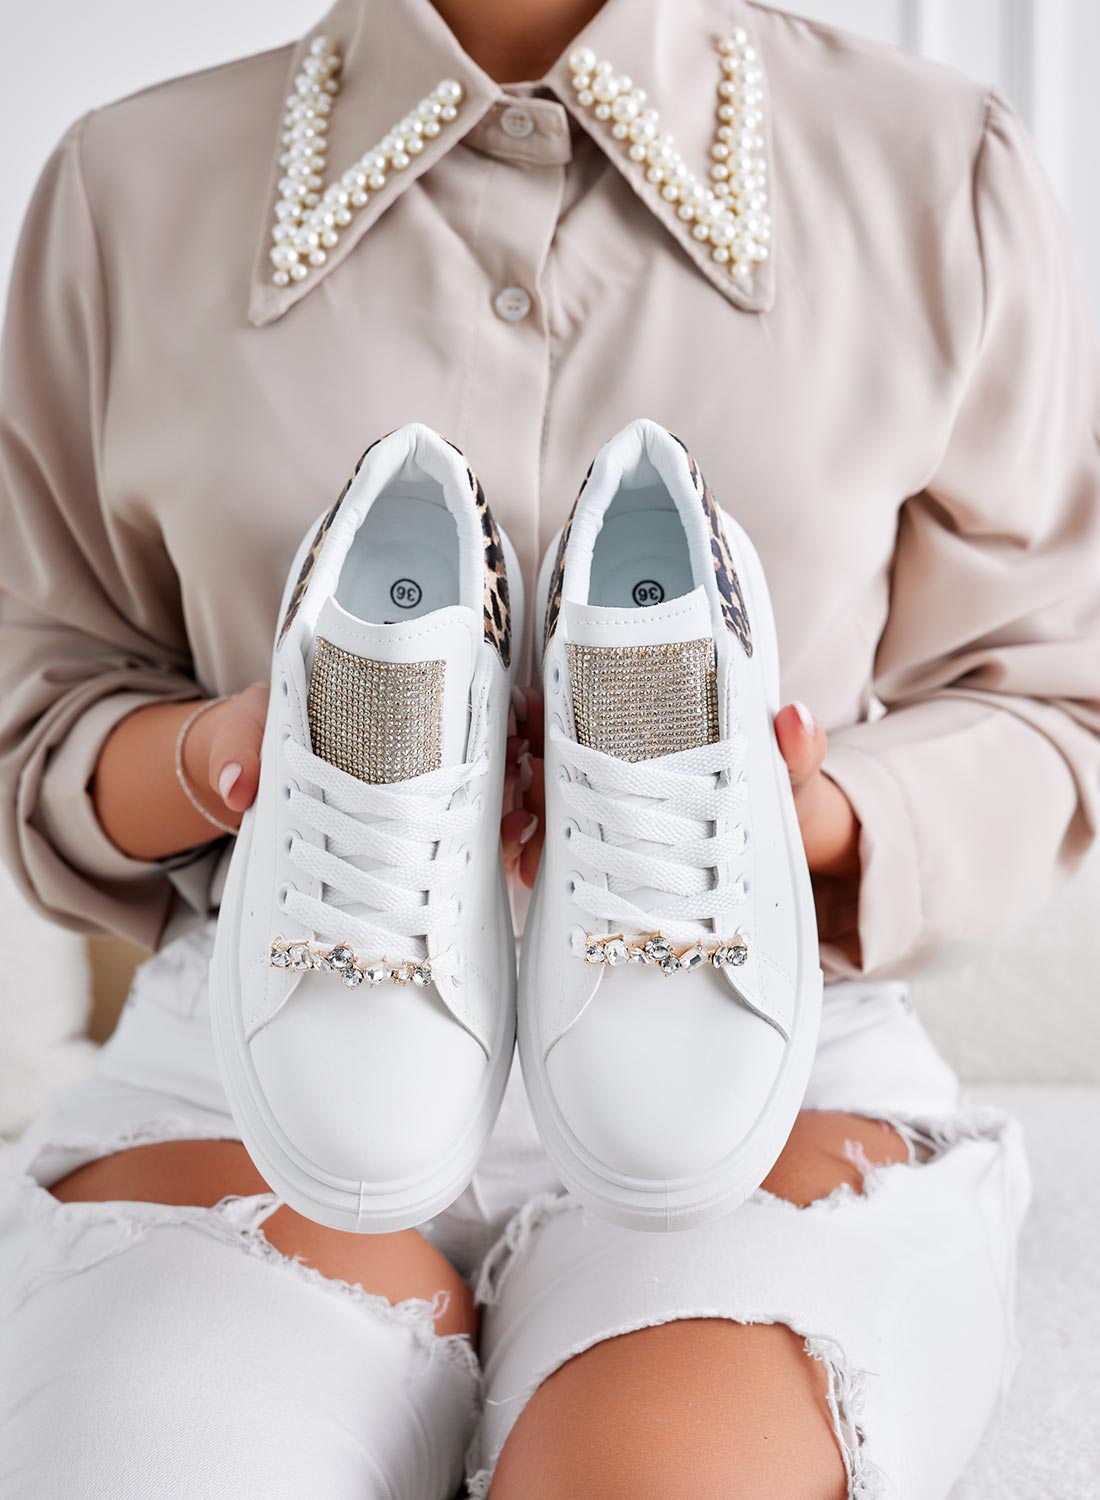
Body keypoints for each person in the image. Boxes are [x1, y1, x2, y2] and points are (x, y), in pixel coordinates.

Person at [1, 0, 1098, 1495]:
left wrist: (805, 814)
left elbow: (1047, 695)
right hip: (267, 1023)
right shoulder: (126, 186)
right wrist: (237, 757)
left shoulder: (935, 167)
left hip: (766, 1032)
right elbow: (46, 705)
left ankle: (659, 746)